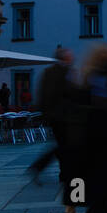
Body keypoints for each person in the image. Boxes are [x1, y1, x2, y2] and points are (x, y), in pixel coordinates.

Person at [70, 45, 107, 213]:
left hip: (94, 137)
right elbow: (103, 103)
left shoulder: (88, 76)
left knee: (103, 183)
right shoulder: (99, 77)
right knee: (105, 184)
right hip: (101, 137)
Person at [29, 48, 73, 186]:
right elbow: (59, 94)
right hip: (62, 116)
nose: (72, 58)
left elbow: (42, 94)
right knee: (63, 146)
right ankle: (41, 167)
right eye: (70, 56)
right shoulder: (64, 72)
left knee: (62, 145)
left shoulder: (49, 72)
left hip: (54, 116)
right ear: (65, 58)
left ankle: (63, 173)